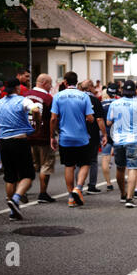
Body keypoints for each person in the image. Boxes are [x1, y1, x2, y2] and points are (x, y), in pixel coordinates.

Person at [0, 78, 43, 220]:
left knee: (10, 177)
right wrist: (37, 125)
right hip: (20, 141)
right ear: (17, 88)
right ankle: (15, 199)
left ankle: (13, 212)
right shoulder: (23, 100)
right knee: (28, 175)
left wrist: (2, 127)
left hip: (4, 142)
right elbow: (36, 109)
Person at [50, 72, 94, 208]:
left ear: (65, 82)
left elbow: (53, 118)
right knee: (85, 163)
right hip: (81, 137)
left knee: (69, 166)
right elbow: (90, 118)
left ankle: (71, 197)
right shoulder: (84, 96)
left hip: (65, 138)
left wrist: (52, 136)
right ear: (77, 81)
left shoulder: (57, 96)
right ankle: (78, 188)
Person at [107, 80, 137, 208]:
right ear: (134, 91)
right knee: (133, 168)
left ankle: (123, 194)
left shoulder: (115, 103)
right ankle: (130, 198)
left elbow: (108, 122)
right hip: (133, 139)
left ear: (122, 91)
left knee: (120, 168)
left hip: (118, 139)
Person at [25, 74, 56, 203]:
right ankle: (42, 193)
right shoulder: (48, 98)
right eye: (50, 84)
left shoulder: (25, 95)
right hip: (42, 136)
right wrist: (52, 136)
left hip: (27, 135)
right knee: (46, 165)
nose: (51, 87)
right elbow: (52, 119)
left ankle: (23, 191)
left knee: (31, 164)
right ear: (44, 83)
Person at [79, 80, 108, 194]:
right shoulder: (95, 100)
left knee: (79, 161)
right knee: (93, 161)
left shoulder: (77, 99)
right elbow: (99, 119)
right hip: (92, 133)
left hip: (79, 133)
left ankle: (78, 186)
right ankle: (91, 186)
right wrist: (104, 134)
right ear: (90, 87)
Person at [100, 83, 119, 191]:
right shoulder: (118, 103)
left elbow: (99, 120)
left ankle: (108, 183)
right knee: (120, 157)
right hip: (117, 133)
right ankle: (120, 177)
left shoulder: (101, 104)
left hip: (105, 133)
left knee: (105, 157)